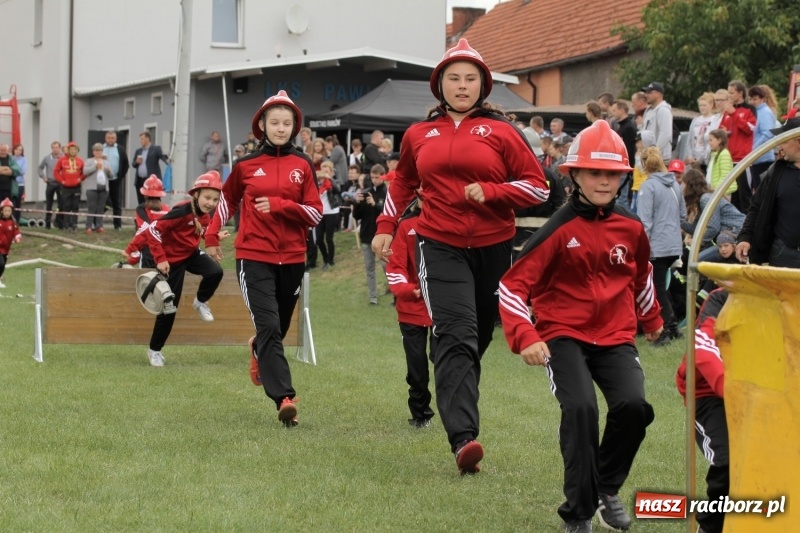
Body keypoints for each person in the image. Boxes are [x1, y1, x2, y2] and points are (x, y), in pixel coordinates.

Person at [371, 38, 549, 475]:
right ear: (440, 85)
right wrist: (385, 227)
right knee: (456, 334)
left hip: (493, 246)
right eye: (454, 78)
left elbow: (538, 187)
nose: (462, 85)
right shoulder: (418, 134)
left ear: (483, 86)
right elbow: (402, 184)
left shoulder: (503, 132)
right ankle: (464, 439)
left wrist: (492, 192)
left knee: (475, 338)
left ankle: (452, 378)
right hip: (438, 243)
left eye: (471, 79)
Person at [497, 119, 661, 533]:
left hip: (616, 335)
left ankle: (606, 488)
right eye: (595, 172)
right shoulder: (556, 228)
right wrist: (526, 336)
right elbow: (511, 287)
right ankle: (579, 513)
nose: (604, 181)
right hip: (562, 334)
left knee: (634, 407)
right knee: (582, 410)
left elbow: (641, 276)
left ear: (623, 179)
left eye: (612, 174)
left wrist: (654, 320)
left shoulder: (632, 226)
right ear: (575, 175)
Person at [205, 90, 322, 427]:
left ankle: (258, 349)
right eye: (275, 122)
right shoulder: (244, 166)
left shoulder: (303, 165)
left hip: (294, 258)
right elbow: (226, 202)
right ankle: (284, 398)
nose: (281, 128)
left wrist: (283, 206)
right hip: (254, 256)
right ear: (262, 125)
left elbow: (315, 214)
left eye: (287, 123)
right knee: (269, 325)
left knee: (278, 329)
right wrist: (211, 236)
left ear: (294, 126)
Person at [143, 171, 225, 367]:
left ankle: (200, 302)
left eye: (215, 199)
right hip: (172, 263)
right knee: (169, 309)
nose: (211, 203)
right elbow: (152, 229)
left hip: (191, 254)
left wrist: (213, 237)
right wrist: (161, 259)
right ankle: (154, 350)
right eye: (207, 197)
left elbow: (199, 229)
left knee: (216, 272)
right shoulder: (181, 211)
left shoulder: (204, 214)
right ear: (196, 194)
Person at [676, 288, 730, 533]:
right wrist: (728, 388)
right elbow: (703, 346)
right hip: (708, 391)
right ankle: (710, 527)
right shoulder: (724, 297)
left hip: (764, 392)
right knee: (729, 460)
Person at [387, 192, 437, 429]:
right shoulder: (406, 226)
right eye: (424, 199)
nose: (428, 203)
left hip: (442, 307)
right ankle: (420, 414)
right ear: (417, 199)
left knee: (446, 363)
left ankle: (454, 412)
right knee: (417, 368)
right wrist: (408, 290)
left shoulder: (450, 225)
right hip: (411, 308)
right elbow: (395, 266)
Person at [637, 146, 686, 346]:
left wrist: (640, 247)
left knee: (656, 289)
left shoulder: (648, 187)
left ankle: (666, 329)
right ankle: (672, 326)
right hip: (673, 243)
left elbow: (644, 221)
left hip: (656, 245)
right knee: (663, 288)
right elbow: (682, 215)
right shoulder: (674, 184)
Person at [736, 116, 800, 268]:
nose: (779, 147)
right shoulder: (776, 171)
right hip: (784, 254)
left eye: (784, 141)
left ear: (798, 141)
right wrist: (745, 237)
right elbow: (756, 208)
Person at [681, 168, 745, 262]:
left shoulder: (705, 199)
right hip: (729, 236)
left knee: (699, 260)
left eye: (684, 184)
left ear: (689, 186)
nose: (682, 187)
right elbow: (697, 228)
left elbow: (713, 228)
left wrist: (697, 242)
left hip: (737, 235)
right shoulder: (703, 199)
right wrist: (678, 221)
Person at [354, 164, 388, 305]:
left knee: (387, 267)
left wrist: (375, 205)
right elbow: (357, 216)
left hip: (382, 236)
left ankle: (396, 294)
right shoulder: (366, 191)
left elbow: (388, 212)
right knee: (369, 268)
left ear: (383, 176)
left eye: (377, 177)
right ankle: (373, 298)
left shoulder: (387, 192)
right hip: (367, 235)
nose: (374, 180)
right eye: (372, 177)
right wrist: (357, 203)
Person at [122, 175, 171, 268]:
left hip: (150, 252)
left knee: (146, 280)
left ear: (145, 194)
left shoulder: (142, 209)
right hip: (166, 252)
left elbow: (145, 231)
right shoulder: (167, 209)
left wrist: (129, 250)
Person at [53, 141, 85, 232]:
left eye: (74, 149)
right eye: (71, 149)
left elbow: (85, 172)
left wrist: (81, 178)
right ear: (68, 150)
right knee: (66, 206)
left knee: (75, 206)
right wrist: (62, 181)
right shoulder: (62, 160)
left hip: (76, 187)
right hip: (65, 187)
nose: (73, 151)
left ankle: (74, 224)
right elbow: (56, 171)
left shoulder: (80, 160)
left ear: (77, 150)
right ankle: (66, 225)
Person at [611, 100, 637, 209]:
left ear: (622, 111)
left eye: (614, 110)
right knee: (618, 197)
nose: (613, 113)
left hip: (624, 167)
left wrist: (628, 168)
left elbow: (630, 150)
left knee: (621, 198)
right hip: (619, 166)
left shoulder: (629, 128)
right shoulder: (620, 127)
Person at [103, 131, 130, 231]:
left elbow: (126, 165)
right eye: (109, 138)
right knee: (102, 201)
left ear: (116, 139)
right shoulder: (101, 148)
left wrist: (120, 177)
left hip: (115, 180)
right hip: (103, 180)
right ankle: (96, 223)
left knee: (116, 203)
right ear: (105, 138)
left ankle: (117, 225)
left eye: (112, 138)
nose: (110, 140)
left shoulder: (120, 149)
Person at [315, 162, 340, 270]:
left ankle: (331, 260)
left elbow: (338, 189)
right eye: (322, 170)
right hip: (320, 212)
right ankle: (325, 259)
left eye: (326, 170)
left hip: (331, 211)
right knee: (319, 239)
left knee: (329, 238)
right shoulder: (317, 183)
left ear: (330, 172)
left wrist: (329, 178)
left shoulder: (332, 182)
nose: (324, 173)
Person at [82, 143, 111, 234]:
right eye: (97, 151)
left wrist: (108, 170)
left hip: (104, 187)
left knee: (100, 208)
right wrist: (95, 166)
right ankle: (89, 226)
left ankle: (99, 225)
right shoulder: (89, 161)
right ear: (93, 152)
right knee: (91, 207)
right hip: (92, 187)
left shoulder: (106, 162)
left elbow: (111, 175)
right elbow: (85, 171)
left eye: (100, 151)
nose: (98, 152)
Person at [133, 131, 169, 204]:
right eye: (140, 139)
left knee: (151, 201)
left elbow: (162, 157)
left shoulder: (156, 149)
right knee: (141, 202)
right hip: (140, 180)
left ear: (148, 138)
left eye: (142, 139)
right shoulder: (138, 151)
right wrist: (136, 162)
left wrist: (169, 161)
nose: (140, 141)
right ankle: (142, 214)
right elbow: (133, 164)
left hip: (151, 181)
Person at [641, 81, 674, 161]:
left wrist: (655, 151)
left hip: (659, 158)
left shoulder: (663, 110)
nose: (646, 95)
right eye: (646, 92)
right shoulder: (649, 110)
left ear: (659, 94)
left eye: (649, 92)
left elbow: (665, 134)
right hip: (648, 156)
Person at [686, 92, 718, 172]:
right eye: (700, 105)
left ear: (711, 105)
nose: (702, 108)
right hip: (694, 156)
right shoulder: (696, 120)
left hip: (707, 158)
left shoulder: (715, 119)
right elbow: (689, 139)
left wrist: (701, 159)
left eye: (704, 105)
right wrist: (690, 156)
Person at [38, 141, 64, 229]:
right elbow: (40, 167)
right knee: (49, 204)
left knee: (61, 204)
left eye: (57, 147)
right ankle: (47, 224)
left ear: (60, 148)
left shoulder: (63, 157)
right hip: (50, 183)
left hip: (60, 183)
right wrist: (43, 176)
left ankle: (60, 223)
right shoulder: (47, 158)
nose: (55, 149)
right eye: (53, 148)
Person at [0, 198, 22, 289]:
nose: (7, 212)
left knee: (3, 265)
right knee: (0, 263)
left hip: (6, 249)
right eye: (5, 210)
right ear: (1, 211)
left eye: (9, 210)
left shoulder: (13, 222)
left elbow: (16, 232)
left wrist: (17, 238)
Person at [706, 129, 735, 196]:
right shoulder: (714, 155)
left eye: (711, 140)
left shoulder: (724, 154)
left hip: (721, 193)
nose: (709, 143)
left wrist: (717, 190)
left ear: (719, 140)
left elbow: (725, 175)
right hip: (714, 191)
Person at [11, 144, 26, 223]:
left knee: (18, 204)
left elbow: (22, 171)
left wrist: (12, 171)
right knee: (11, 203)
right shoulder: (10, 158)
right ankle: (10, 221)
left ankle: (17, 222)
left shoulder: (23, 159)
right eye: (17, 149)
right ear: (14, 150)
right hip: (11, 183)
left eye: (20, 150)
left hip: (20, 184)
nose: (18, 151)